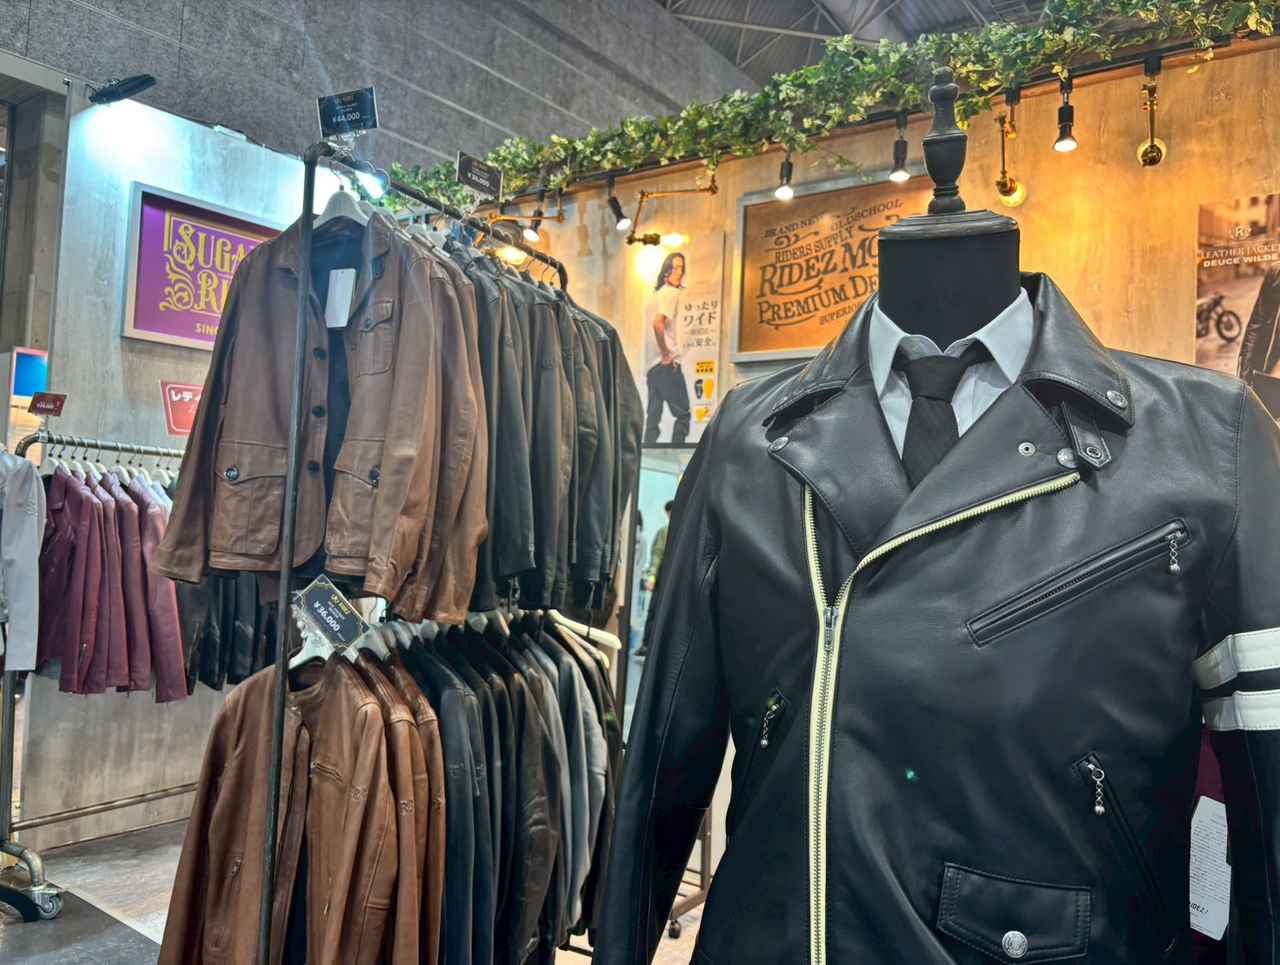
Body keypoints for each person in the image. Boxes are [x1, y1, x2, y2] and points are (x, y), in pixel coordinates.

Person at [643, 253, 692, 444]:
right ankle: (678, 461)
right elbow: (658, 324)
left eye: (681, 268)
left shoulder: (654, 296)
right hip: (667, 365)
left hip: (652, 368)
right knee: (683, 415)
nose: (679, 272)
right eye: (675, 267)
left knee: (653, 419)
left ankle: (644, 459)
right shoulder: (671, 293)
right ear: (666, 271)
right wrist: (666, 353)